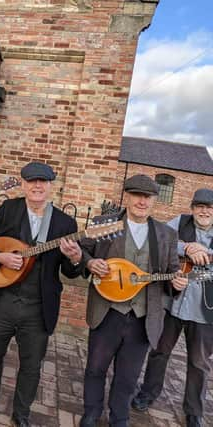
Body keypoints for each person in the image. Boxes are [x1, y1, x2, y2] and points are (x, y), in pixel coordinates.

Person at [0, 162, 84, 427]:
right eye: (31, 181)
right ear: (23, 184)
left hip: (38, 309)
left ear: (52, 185)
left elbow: (70, 271)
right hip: (3, 300)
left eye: (43, 181)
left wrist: (76, 259)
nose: (37, 186)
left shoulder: (65, 223)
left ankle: (21, 413)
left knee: (31, 367)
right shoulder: (9, 209)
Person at [79, 174, 187, 427]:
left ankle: (120, 417)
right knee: (95, 368)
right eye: (137, 195)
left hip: (143, 316)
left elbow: (172, 271)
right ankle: (91, 413)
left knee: (128, 376)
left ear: (154, 201)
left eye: (148, 197)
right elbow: (82, 249)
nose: (142, 201)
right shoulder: (105, 223)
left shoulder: (166, 234)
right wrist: (89, 262)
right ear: (127, 196)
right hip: (107, 310)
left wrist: (177, 283)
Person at [131, 188, 213, 427]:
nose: (204, 211)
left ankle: (194, 411)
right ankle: (148, 393)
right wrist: (187, 247)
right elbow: (160, 238)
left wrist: (205, 252)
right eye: (199, 206)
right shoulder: (180, 222)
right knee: (159, 352)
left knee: (199, 363)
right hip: (172, 302)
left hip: (205, 310)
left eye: (209, 207)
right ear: (192, 208)